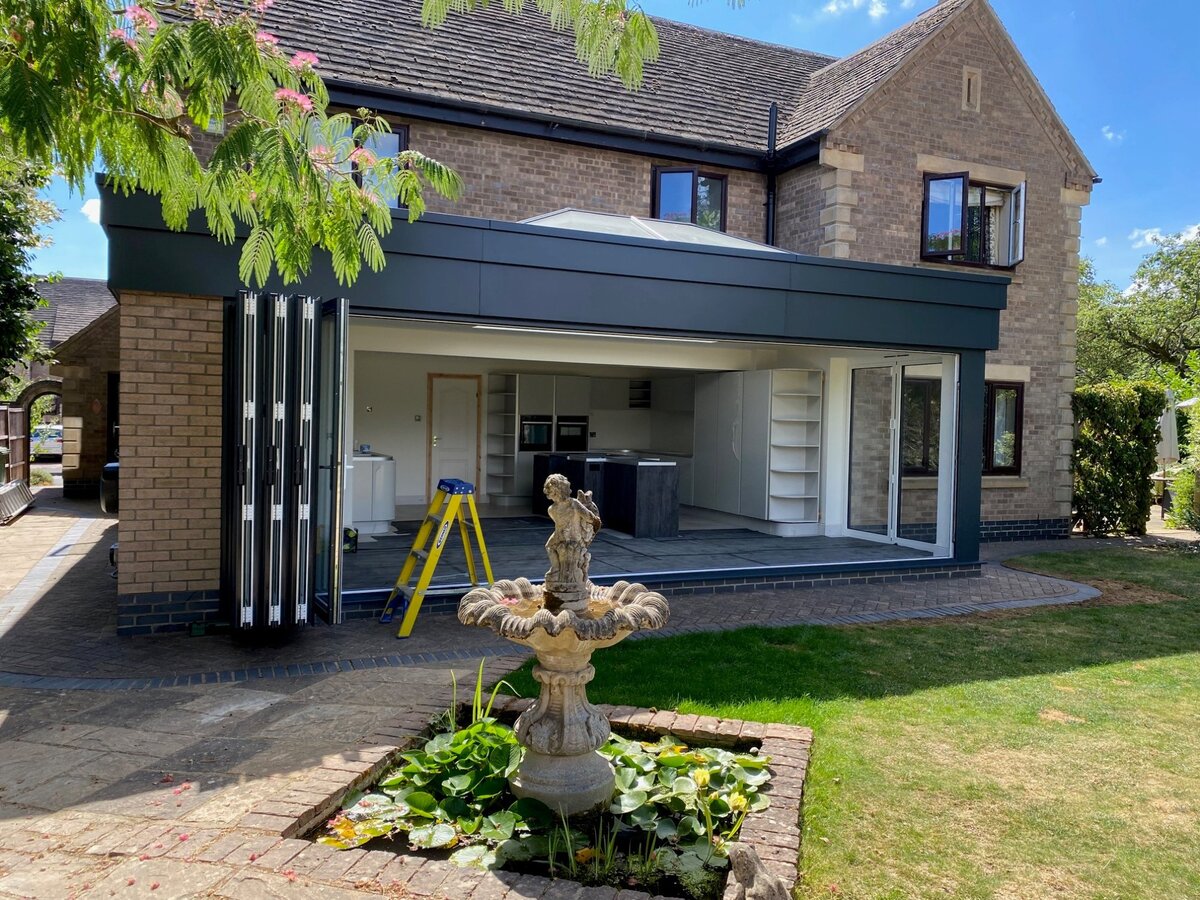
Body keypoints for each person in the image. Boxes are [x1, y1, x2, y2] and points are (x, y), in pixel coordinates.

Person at [542, 473, 601, 609]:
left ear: (560, 491)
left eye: (552, 492)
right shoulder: (551, 509)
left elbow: (588, 516)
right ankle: (556, 569)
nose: (550, 495)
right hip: (559, 535)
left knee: (569, 552)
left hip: (574, 537)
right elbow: (559, 525)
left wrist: (593, 522)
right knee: (549, 546)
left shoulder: (574, 504)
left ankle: (570, 578)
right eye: (549, 493)